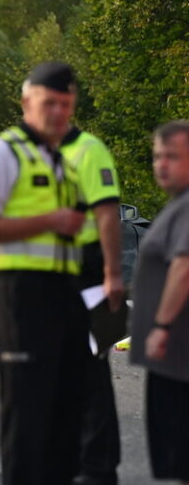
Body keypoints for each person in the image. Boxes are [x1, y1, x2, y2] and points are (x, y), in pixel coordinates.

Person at [0, 61, 88, 485]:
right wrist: (50, 221)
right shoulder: (4, 152)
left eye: (66, 106)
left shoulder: (62, 159)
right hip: (21, 294)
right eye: (49, 103)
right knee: (26, 411)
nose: (57, 113)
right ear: (26, 103)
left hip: (65, 294)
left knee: (66, 409)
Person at [58, 89, 125, 485]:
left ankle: (99, 467)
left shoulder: (89, 150)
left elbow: (107, 214)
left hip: (91, 273)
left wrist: (113, 275)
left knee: (92, 372)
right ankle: (79, 460)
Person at [130, 120, 189, 484]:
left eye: (173, 156)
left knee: (179, 456)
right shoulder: (177, 205)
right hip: (175, 358)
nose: (161, 164)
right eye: (157, 156)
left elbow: (184, 267)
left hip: (178, 357)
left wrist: (162, 326)